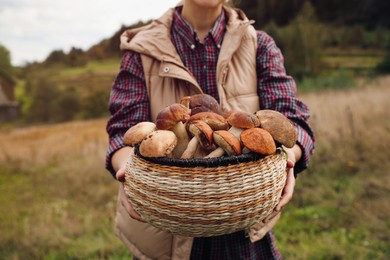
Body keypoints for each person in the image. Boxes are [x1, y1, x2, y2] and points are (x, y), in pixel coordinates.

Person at [105, 0, 315, 259]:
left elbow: (292, 120)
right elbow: (122, 131)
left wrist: (289, 157)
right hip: (166, 225)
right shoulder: (141, 51)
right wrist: (129, 174)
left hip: (243, 228)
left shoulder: (259, 45)